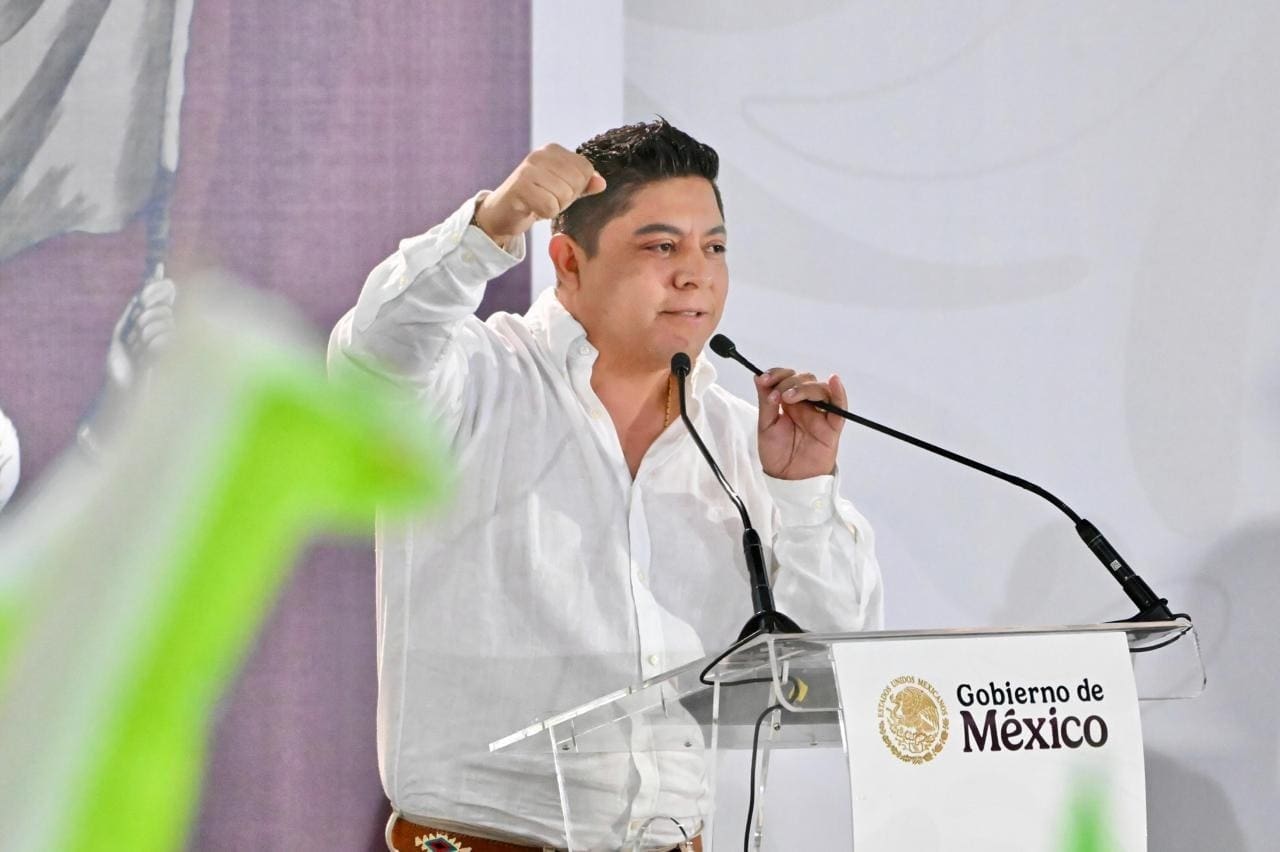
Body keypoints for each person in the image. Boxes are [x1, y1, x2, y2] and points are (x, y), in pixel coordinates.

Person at [328, 119, 883, 852]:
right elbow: (371, 359)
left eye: (714, 248)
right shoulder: (473, 381)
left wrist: (805, 495)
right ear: (569, 262)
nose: (696, 275)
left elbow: (831, 666)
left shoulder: (743, 443)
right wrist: (490, 227)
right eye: (662, 247)